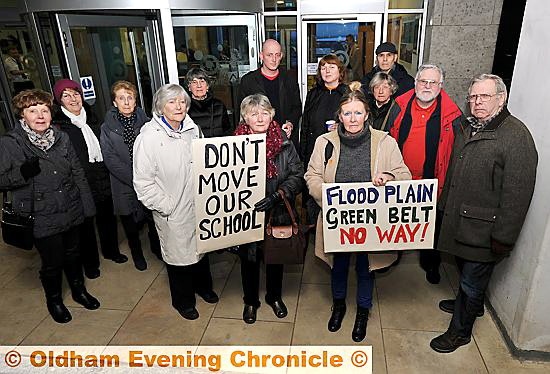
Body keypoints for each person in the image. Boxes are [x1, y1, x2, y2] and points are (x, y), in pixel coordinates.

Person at [430, 74, 537, 353]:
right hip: (460, 219)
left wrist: (503, 236)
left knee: (471, 282)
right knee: (467, 276)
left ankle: (459, 332)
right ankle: (469, 306)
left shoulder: (516, 137)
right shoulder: (468, 126)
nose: (477, 102)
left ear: (501, 99)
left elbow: (517, 195)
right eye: (473, 97)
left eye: (484, 96)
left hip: (484, 229)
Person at [304, 82, 411, 342]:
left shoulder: (385, 142)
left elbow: (404, 175)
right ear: (339, 116)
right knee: (338, 266)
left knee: (366, 267)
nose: (353, 119)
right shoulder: (324, 142)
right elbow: (312, 175)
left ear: (367, 115)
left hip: (371, 223)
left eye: (358, 113)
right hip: (336, 220)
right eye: (347, 113)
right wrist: (326, 196)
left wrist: (389, 177)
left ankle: (363, 310)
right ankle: (338, 306)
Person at [0, 89, 99, 323]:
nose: (40, 115)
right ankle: (54, 300)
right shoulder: (11, 143)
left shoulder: (61, 137)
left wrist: (87, 206)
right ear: (23, 116)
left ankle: (79, 291)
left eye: (44, 110)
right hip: (41, 215)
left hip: (71, 207)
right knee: (53, 262)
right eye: (33, 110)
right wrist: (21, 173)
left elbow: (77, 172)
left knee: (74, 255)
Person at [133, 84, 218, 320]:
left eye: (182, 101)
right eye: (172, 102)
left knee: (202, 251)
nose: (178, 106)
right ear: (160, 107)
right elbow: (143, 183)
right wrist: (167, 206)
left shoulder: (193, 129)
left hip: (199, 205)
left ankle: (204, 287)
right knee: (179, 259)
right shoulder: (148, 139)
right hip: (172, 209)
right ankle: (184, 301)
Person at [385, 64, 463, 284]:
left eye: (433, 82)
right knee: (395, 220)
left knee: (432, 225)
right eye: (423, 81)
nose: (427, 86)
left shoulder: (452, 114)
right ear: (415, 82)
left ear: (441, 86)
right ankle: (391, 256)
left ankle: (431, 263)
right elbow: (387, 136)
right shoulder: (399, 106)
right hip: (400, 179)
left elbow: (456, 150)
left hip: (432, 182)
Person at [235, 94, 303, 324]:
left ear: (272, 114)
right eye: (254, 114)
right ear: (245, 118)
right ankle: (250, 301)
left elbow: (297, 174)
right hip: (247, 213)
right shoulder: (232, 145)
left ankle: (274, 297)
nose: (260, 117)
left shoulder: (284, 142)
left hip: (277, 210)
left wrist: (278, 195)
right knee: (249, 260)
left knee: (275, 257)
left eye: (265, 112)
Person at [52, 79, 123, 278]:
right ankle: (90, 263)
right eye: (66, 95)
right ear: (60, 101)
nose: (73, 99)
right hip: (79, 180)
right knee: (85, 225)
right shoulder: (59, 125)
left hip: (101, 174)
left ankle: (112, 251)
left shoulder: (92, 117)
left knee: (107, 217)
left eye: (75, 93)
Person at [100, 80, 162, 271]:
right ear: (114, 102)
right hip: (123, 182)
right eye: (121, 98)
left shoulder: (148, 123)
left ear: (136, 101)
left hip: (149, 179)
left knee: (151, 218)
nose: (126, 102)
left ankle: (156, 249)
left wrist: (145, 177)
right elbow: (110, 159)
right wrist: (135, 179)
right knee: (130, 223)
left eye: (130, 98)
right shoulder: (107, 127)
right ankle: (137, 253)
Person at [299, 54, 347, 225]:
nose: (327, 71)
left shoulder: (347, 94)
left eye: (331, 67)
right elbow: (304, 126)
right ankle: (315, 229)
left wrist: (341, 128)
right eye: (323, 67)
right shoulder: (313, 94)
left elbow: (359, 123)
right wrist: (303, 154)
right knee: (314, 193)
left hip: (339, 153)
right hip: (314, 152)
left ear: (340, 71)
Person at [238, 39, 302, 147]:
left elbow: (297, 107)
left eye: (277, 55)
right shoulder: (248, 81)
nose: (274, 59)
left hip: (284, 140)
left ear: (281, 56)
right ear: (261, 56)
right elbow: (241, 113)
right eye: (269, 55)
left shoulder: (289, 79)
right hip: (257, 141)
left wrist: (290, 123)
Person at [185, 68, 233, 137]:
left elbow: (227, 131)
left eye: (202, 81)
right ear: (189, 87)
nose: (199, 86)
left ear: (207, 86)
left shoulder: (219, 106)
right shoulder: (185, 107)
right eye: (194, 82)